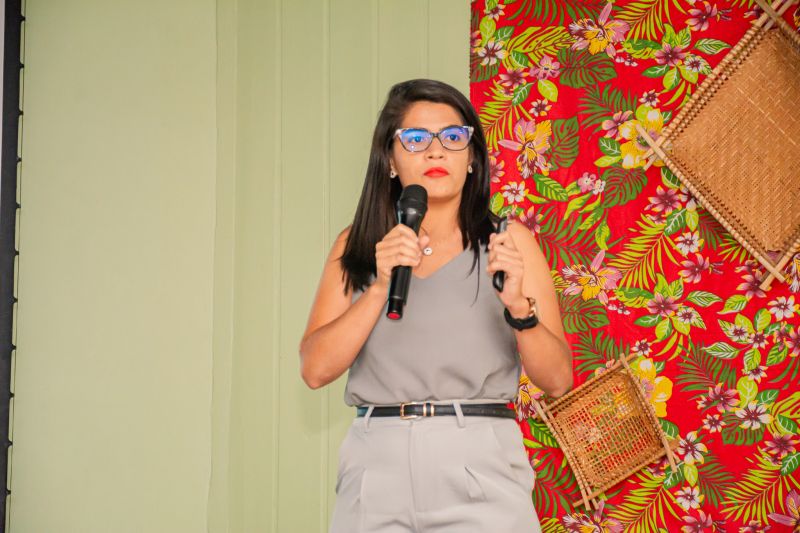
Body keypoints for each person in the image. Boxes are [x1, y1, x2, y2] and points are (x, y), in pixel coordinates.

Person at [299, 79, 572, 533]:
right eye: (415, 138)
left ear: (472, 157)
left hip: (479, 459)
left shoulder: (509, 242)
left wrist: (519, 309)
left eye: (452, 136)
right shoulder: (357, 244)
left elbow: (558, 379)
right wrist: (379, 287)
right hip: (377, 464)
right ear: (390, 159)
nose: (435, 151)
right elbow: (315, 370)